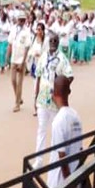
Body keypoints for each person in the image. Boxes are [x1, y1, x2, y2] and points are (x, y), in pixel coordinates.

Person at [33, 33, 74, 168]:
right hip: (42, 99)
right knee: (41, 129)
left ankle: (55, 159)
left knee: (56, 130)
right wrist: (35, 97)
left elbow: (70, 76)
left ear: (58, 42)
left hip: (56, 101)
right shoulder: (43, 57)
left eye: (55, 41)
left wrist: (61, 88)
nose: (53, 43)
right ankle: (39, 160)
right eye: (51, 40)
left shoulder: (62, 58)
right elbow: (38, 77)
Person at [7, 12, 33, 112]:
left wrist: (23, 62)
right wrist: (7, 57)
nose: (21, 22)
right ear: (17, 20)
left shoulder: (27, 31)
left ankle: (17, 104)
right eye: (20, 20)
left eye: (23, 20)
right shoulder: (13, 29)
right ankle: (19, 97)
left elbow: (27, 47)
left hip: (22, 59)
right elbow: (10, 43)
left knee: (19, 83)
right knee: (13, 81)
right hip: (13, 58)